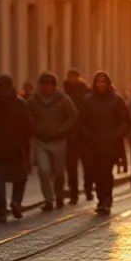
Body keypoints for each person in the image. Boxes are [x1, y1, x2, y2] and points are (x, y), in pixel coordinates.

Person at [0, 75, 33, 223]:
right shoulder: (20, 104)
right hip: (16, 149)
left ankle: (1, 211)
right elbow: (29, 126)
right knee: (20, 179)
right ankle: (16, 201)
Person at [78, 71, 131, 214]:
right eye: (98, 82)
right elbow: (81, 122)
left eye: (103, 82)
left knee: (105, 171)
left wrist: (117, 134)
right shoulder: (87, 100)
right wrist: (87, 135)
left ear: (108, 84)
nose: (100, 85)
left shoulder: (116, 100)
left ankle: (105, 200)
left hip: (111, 145)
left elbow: (126, 121)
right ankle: (101, 198)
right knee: (95, 172)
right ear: (94, 84)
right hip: (93, 144)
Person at [28, 71, 78, 211]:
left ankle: (59, 195)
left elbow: (73, 116)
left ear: (54, 86)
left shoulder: (63, 99)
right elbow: (26, 116)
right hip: (41, 140)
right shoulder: (33, 100)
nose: (46, 88)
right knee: (43, 170)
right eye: (44, 84)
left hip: (58, 140)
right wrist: (33, 129)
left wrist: (62, 129)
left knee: (58, 171)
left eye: (50, 85)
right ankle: (48, 199)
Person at [63, 69, 93, 203]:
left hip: (84, 135)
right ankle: (73, 193)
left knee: (88, 165)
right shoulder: (63, 93)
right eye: (70, 77)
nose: (72, 79)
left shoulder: (86, 92)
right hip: (69, 135)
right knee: (71, 166)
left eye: (74, 76)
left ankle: (88, 189)